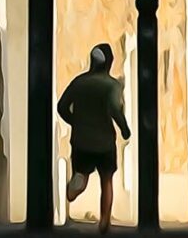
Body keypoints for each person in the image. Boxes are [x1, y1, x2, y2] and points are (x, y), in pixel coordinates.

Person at [57, 44, 130, 233]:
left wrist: (75, 121)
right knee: (107, 180)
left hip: (81, 140)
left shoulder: (79, 82)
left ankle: (75, 186)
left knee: (82, 174)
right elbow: (114, 108)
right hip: (105, 142)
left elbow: (62, 106)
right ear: (108, 63)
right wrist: (124, 128)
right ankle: (104, 220)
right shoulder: (112, 85)